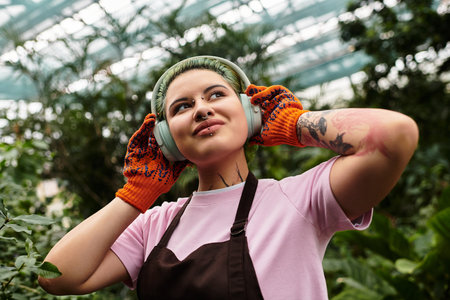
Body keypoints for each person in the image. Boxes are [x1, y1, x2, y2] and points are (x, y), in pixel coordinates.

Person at [38, 56, 419, 299]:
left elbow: (391, 136)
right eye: (183, 107)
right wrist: (137, 192)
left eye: (215, 95)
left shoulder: (298, 200)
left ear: (249, 113)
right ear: (168, 139)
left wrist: (291, 124)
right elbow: (56, 277)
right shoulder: (154, 225)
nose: (202, 110)